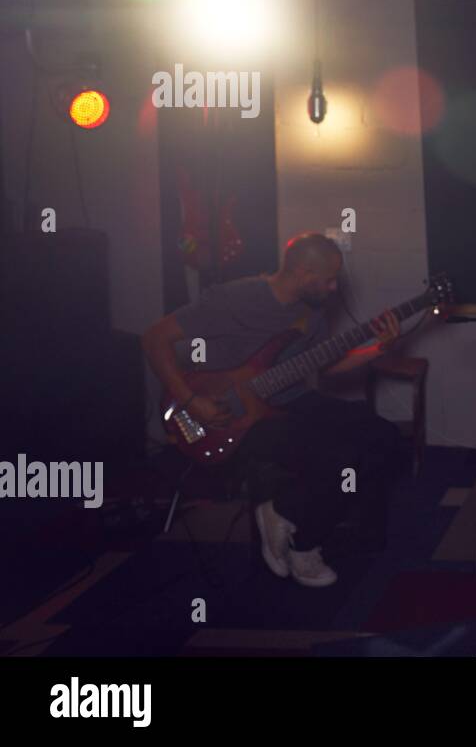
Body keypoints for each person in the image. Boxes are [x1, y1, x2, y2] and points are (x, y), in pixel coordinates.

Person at [143, 233, 403, 587]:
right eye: (327, 279)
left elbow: (322, 366)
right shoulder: (234, 298)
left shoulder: (310, 312)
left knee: (383, 437)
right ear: (301, 271)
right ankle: (304, 545)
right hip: (231, 415)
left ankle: (287, 512)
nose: (332, 288)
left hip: (288, 399)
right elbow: (154, 338)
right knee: (337, 457)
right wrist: (191, 400)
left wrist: (379, 350)